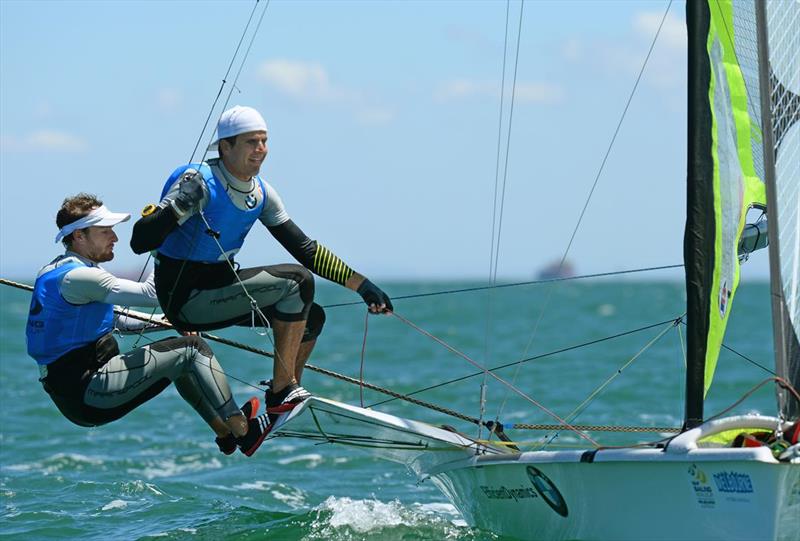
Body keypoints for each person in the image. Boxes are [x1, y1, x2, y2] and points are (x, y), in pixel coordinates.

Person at [130, 105, 392, 422]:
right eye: (251, 142)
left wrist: (362, 285)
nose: (261, 150)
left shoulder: (261, 194)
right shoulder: (198, 180)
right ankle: (283, 391)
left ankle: (283, 398)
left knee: (312, 318)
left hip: (218, 290)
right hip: (185, 298)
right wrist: (178, 205)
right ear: (225, 146)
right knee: (297, 281)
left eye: (264, 141)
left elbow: (305, 249)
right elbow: (139, 241)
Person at [26, 193, 273, 456]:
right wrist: (161, 241)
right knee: (192, 350)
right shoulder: (81, 277)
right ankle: (244, 430)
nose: (115, 238)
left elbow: (115, 318)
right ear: (78, 236)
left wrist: (167, 322)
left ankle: (225, 433)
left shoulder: (56, 271)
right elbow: (153, 294)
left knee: (182, 362)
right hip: (88, 391)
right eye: (105, 231)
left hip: (76, 396)